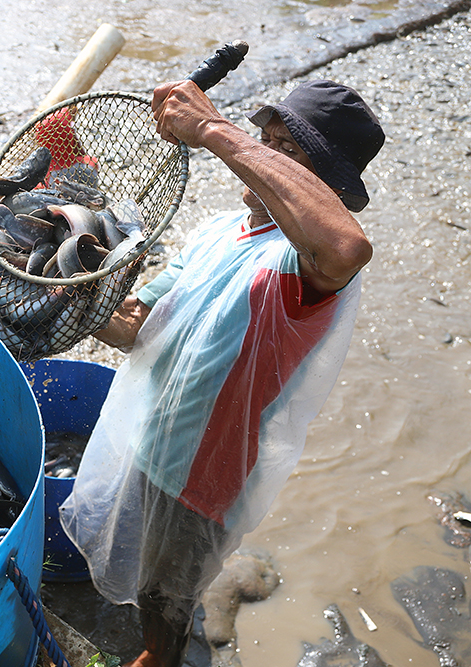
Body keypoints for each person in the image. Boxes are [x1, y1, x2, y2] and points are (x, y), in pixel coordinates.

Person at [58, 78, 385, 667]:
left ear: (329, 184)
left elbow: (345, 246)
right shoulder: (217, 233)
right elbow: (135, 325)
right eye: (267, 139)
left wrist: (212, 129)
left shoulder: (306, 262)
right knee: (147, 569)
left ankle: (161, 657)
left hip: (208, 470)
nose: (260, 153)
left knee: (172, 592)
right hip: (150, 434)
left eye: (288, 150)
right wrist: (65, 296)